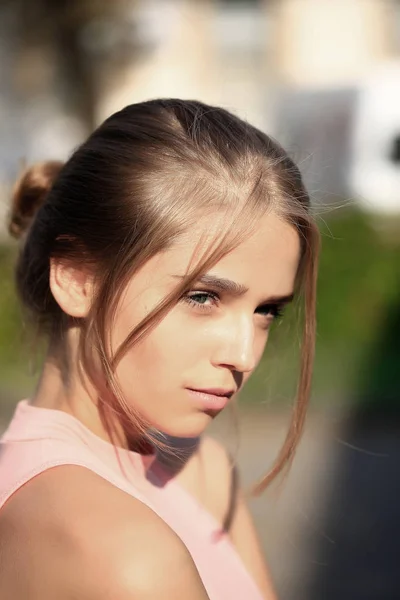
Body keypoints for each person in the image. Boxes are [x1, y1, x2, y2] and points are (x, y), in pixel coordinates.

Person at [0, 99, 319, 599]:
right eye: (203, 297)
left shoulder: (202, 469)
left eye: (267, 311)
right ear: (77, 278)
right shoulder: (121, 548)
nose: (244, 355)